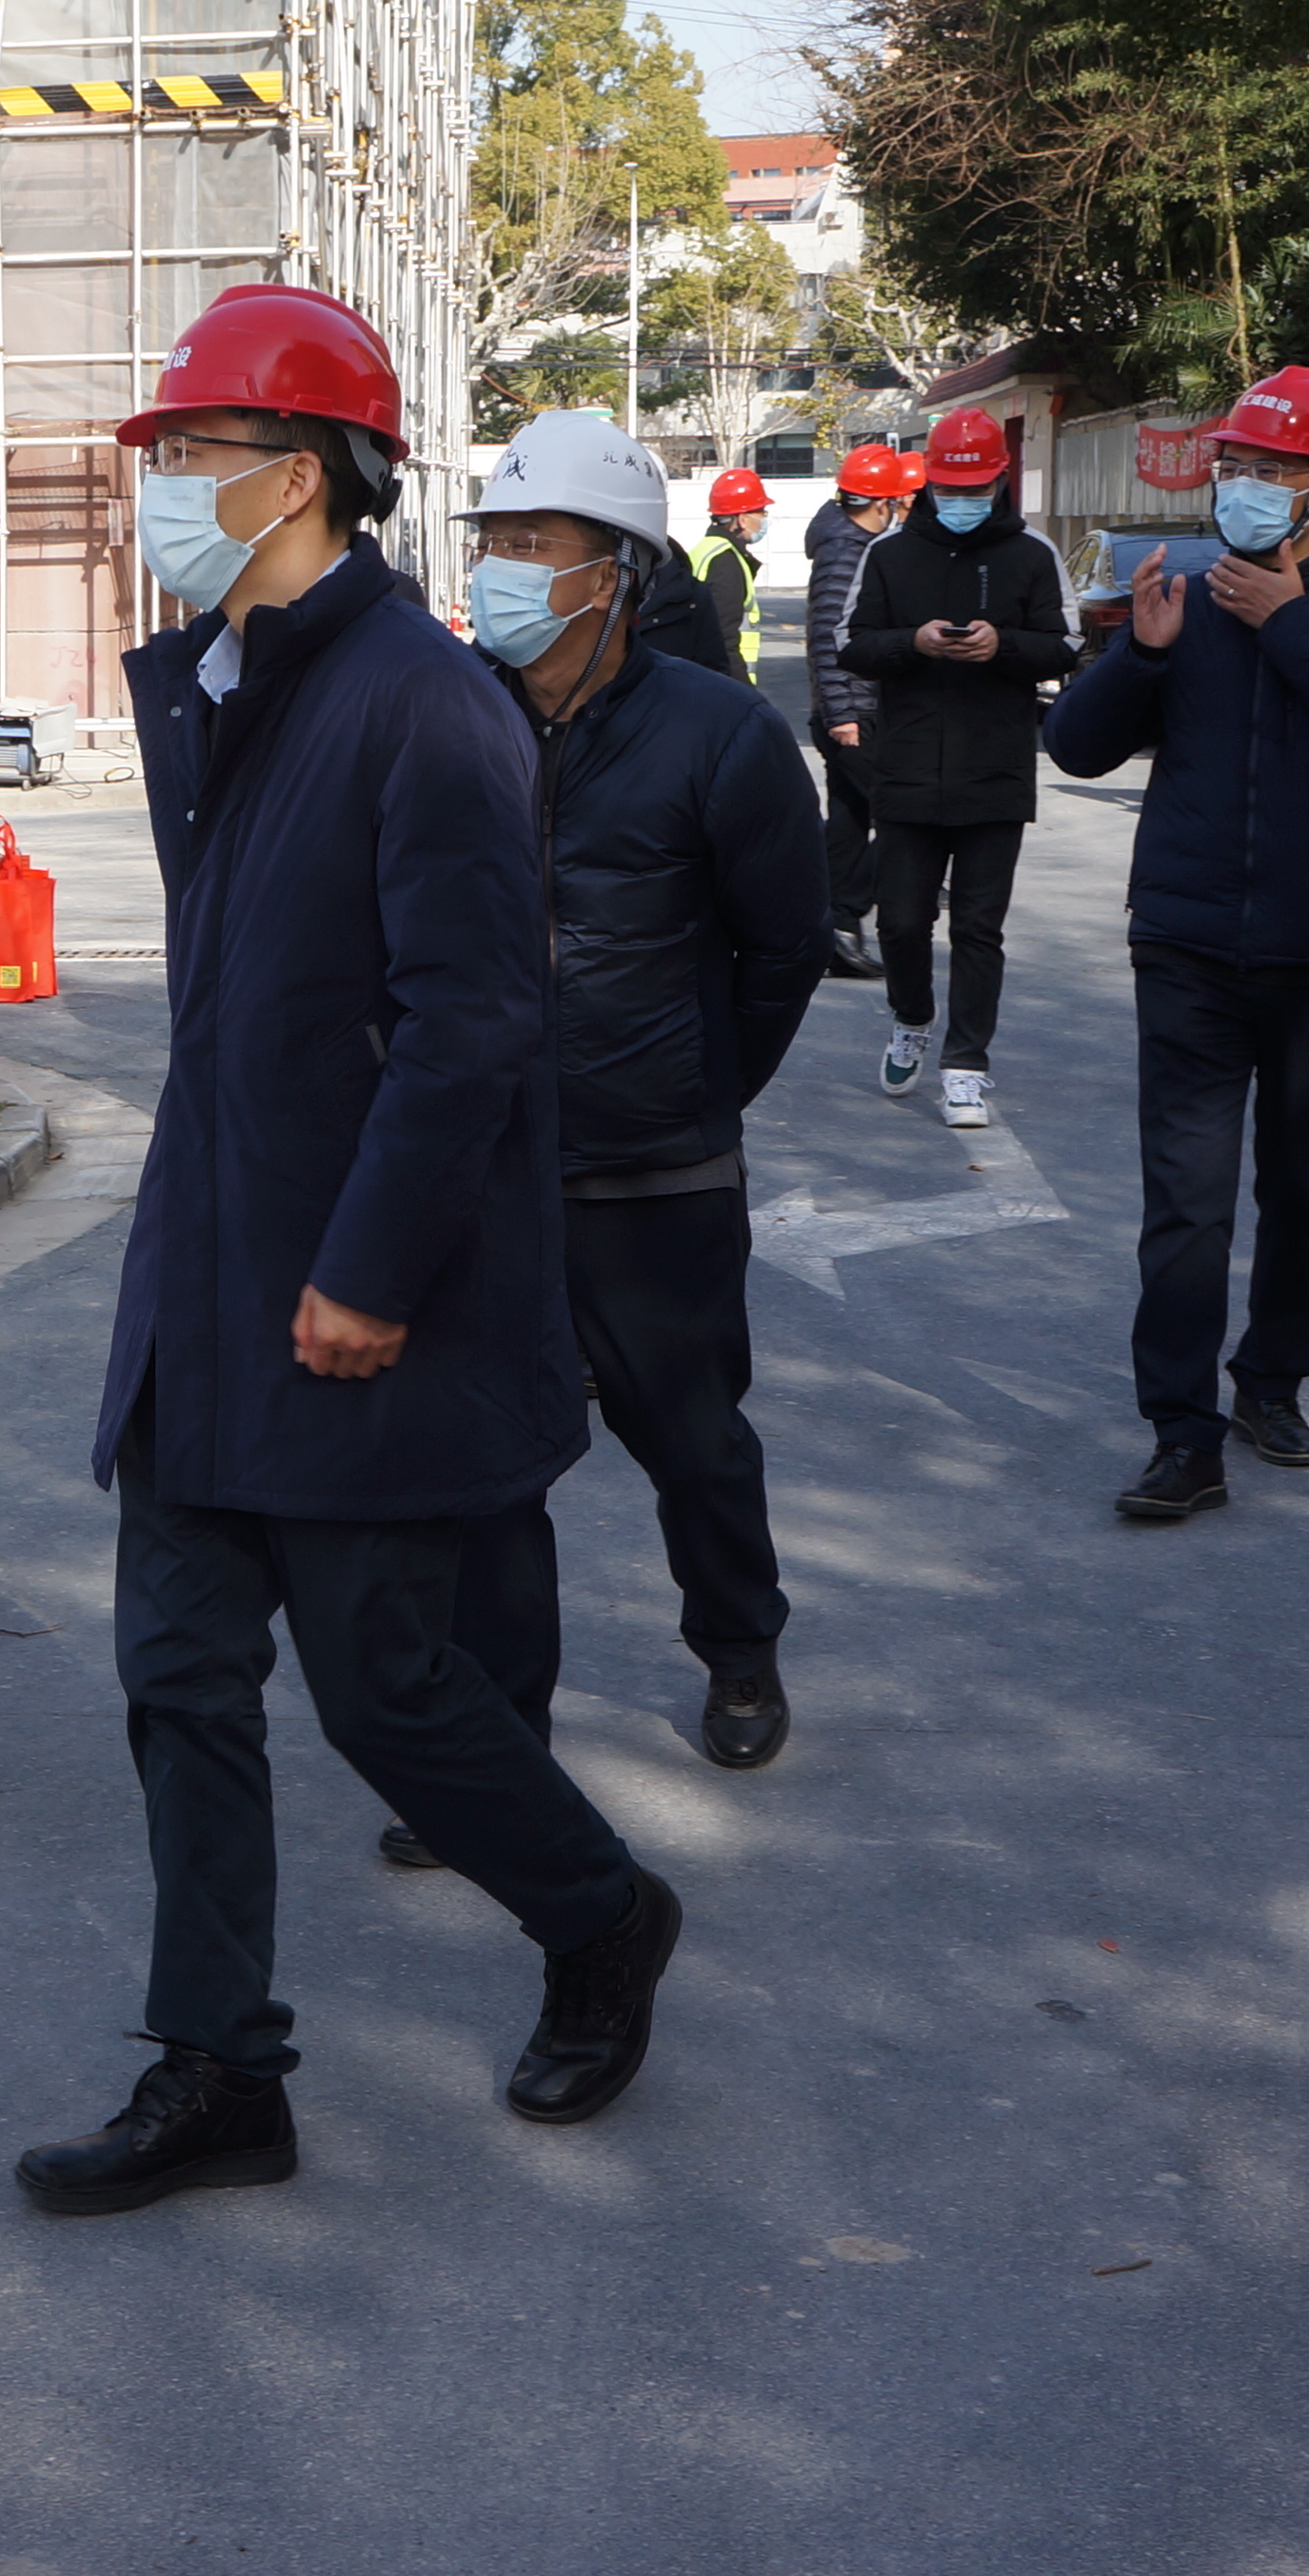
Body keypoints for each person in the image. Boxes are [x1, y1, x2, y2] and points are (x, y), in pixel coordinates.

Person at [13, 285, 681, 2218]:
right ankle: (217, 2067)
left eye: (191, 453)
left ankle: (599, 1914)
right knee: (177, 1677)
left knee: (384, 1691)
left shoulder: (418, 702)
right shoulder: (222, 681)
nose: (159, 485)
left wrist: (373, 1272)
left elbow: (470, 1025)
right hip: (206, 1276)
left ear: (296, 475)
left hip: (345, 1297)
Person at [432, 409, 828, 1833]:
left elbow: (785, 948)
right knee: (484, 1478)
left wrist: (697, 1087)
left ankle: (739, 1651)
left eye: (532, 543)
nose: (502, 569)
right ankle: (494, 1745)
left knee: (693, 1441)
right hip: (481, 1170)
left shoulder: (720, 735)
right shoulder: (446, 714)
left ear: (616, 571)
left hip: (656, 1174)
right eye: (492, 541)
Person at [1044, 366, 1309, 1524]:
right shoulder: (1175, 592)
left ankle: (1270, 1385)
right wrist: (1141, 653)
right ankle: (1181, 1435)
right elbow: (1073, 746)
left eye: (1271, 471)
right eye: (1233, 467)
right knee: (1185, 1202)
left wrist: (1289, 622)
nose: (1245, 488)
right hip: (1186, 944)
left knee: (1302, 1188)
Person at [835, 406, 1073, 1131]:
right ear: (927, 485)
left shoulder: (1033, 552)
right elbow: (852, 642)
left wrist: (1004, 646)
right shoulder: (890, 554)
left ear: (999, 482)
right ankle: (912, 1016)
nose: (961, 501)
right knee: (902, 922)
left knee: (978, 928)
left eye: (974, 489)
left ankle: (966, 1065)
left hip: (996, 770)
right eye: (948, 489)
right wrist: (914, 642)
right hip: (907, 767)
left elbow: (1064, 644)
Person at [800, 443, 904, 978]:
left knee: (848, 821)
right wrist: (841, 713)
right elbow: (828, 638)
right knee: (904, 816)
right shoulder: (847, 550)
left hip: (851, 710)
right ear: (881, 503)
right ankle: (838, 916)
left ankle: (829, 932)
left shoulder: (851, 542)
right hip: (853, 712)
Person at [644, 466, 767, 687]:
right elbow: (725, 638)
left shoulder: (706, 549)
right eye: (760, 512)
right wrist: (744, 692)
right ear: (742, 518)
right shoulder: (726, 561)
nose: (764, 519)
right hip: (722, 682)